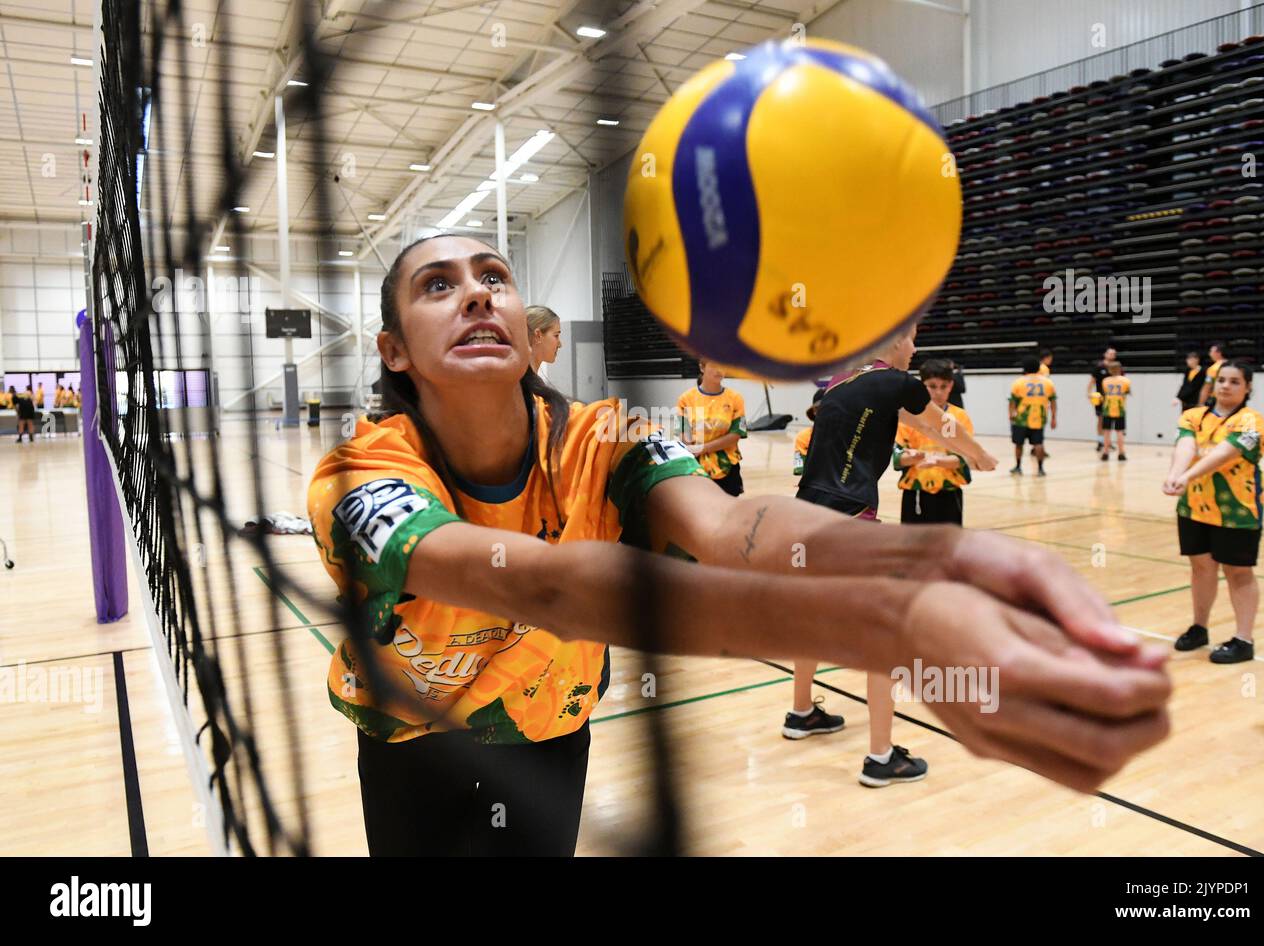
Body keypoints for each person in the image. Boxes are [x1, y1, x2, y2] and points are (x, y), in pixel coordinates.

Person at [308, 234, 1172, 856]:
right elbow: (543, 586)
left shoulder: (607, 436)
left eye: (492, 276)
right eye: (438, 285)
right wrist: (885, 630)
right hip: (410, 736)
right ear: (394, 350)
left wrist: (928, 565)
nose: (476, 294)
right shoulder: (359, 474)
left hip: (546, 726)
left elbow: (732, 527)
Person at [788, 327, 999, 785]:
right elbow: (938, 423)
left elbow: (917, 423)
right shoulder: (897, 382)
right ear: (892, 342)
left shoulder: (842, 383)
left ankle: (801, 712)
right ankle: (881, 758)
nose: (915, 349)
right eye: (912, 340)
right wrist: (978, 455)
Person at [1163, 361, 1264, 664]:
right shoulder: (1194, 416)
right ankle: (1199, 628)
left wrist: (1186, 476)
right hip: (1194, 507)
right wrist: (1175, 472)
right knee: (1201, 567)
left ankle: (1243, 640)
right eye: (1222, 380)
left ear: (1247, 388)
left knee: (1238, 572)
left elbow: (1225, 453)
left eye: (1235, 382)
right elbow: (1185, 443)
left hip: (1237, 510)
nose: (1225, 386)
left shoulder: (1252, 422)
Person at [893, 359, 974, 525]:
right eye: (932, 386)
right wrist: (914, 457)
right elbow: (898, 458)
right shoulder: (909, 417)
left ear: (951, 385)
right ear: (922, 385)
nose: (938, 392)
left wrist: (938, 461)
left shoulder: (958, 417)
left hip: (949, 492)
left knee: (948, 546)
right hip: (915, 493)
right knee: (913, 546)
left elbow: (963, 458)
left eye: (943, 386)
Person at [676, 359, 747, 496]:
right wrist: (691, 446)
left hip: (727, 466)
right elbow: (683, 434)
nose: (719, 370)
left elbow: (736, 434)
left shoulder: (736, 398)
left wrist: (702, 448)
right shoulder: (685, 399)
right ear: (702, 368)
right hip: (695, 467)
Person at [1009, 355, 1056, 476]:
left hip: (1021, 418)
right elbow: (1053, 401)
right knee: (1038, 443)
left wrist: (1011, 414)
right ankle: (1040, 469)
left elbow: (1012, 401)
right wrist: (1054, 417)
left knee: (1019, 444)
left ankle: (1018, 467)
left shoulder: (1018, 382)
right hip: (1039, 418)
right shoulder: (1048, 382)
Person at [1099, 361, 1131, 462]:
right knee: (1120, 432)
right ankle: (1121, 453)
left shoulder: (1105, 381)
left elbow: (1104, 392)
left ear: (1109, 370)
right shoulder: (1125, 381)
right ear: (1120, 369)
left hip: (1107, 409)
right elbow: (1127, 392)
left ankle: (1105, 452)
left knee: (1107, 432)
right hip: (1120, 409)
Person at [1088, 346, 1117, 451]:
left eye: (1114, 354)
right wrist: (1089, 393)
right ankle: (1100, 441)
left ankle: (1107, 441)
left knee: (1110, 420)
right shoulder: (1099, 367)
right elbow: (1091, 381)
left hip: (1112, 398)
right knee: (1100, 419)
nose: (1112, 355)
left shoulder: (1116, 368)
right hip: (1100, 398)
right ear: (1105, 354)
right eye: (1110, 353)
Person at [525, 305, 562, 384]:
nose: (560, 344)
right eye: (556, 335)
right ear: (538, 335)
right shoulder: (520, 389)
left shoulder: (535, 384)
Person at [792, 388, 823, 477]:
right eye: (819, 409)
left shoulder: (845, 434)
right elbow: (800, 470)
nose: (823, 412)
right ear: (814, 412)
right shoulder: (804, 437)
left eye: (827, 407)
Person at [1198, 341, 1227, 408]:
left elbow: (1207, 387)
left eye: (1211, 351)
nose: (1209, 354)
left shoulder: (1213, 368)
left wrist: (1201, 404)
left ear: (1219, 353)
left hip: (1216, 400)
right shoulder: (1232, 366)